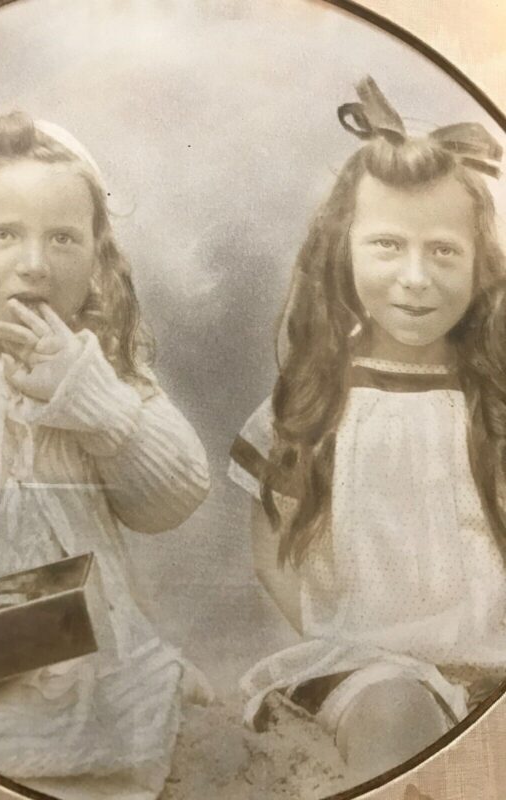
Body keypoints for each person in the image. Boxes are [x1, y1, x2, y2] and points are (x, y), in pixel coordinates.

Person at [0, 111, 210, 798]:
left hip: (80, 658)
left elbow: (175, 497)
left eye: (64, 238)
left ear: (98, 259)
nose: (35, 263)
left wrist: (92, 397)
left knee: (101, 653)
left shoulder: (101, 367)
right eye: (3, 234)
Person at [228, 77, 506, 784]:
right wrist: (346, 641)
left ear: (481, 266)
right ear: (342, 253)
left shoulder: (493, 400)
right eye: (387, 245)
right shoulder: (317, 400)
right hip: (371, 667)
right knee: (396, 723)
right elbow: (270, 551)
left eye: (443, 252)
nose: (415, 277)